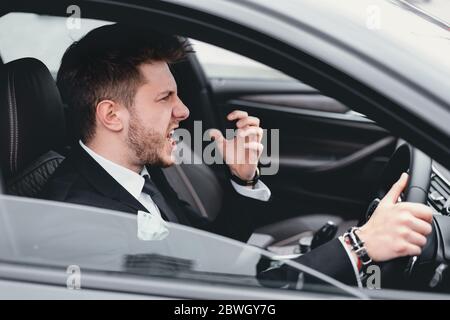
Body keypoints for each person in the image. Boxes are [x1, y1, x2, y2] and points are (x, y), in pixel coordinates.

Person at [40, 24, 433, 286]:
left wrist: (243, 178)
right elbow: (217, 297)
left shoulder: (135, 170)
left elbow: (208, 252)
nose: (183, 111)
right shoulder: (79, 221)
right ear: (111, 115)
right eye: (165, 98)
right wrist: (359, 248)